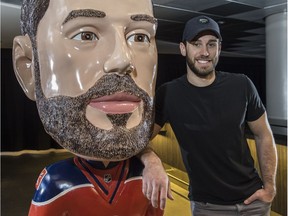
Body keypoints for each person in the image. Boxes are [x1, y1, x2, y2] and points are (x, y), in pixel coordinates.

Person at [12, 0, 164, 215]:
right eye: (85, 35)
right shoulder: (56, 184)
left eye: (140, 37)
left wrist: (152, 162)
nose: (123, 59)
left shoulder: (145, 178)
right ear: (29, 67)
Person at [141, 15, 278, 216]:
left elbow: (264, 135)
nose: (204, 52)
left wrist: (270, 188)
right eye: (196, 44)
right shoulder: (169, 93)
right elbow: (139, 140)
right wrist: (152, 162)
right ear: (183, 48)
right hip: (208, 207)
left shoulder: (242, 85)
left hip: (254, 202)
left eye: (211, 44)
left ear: (219, 49)